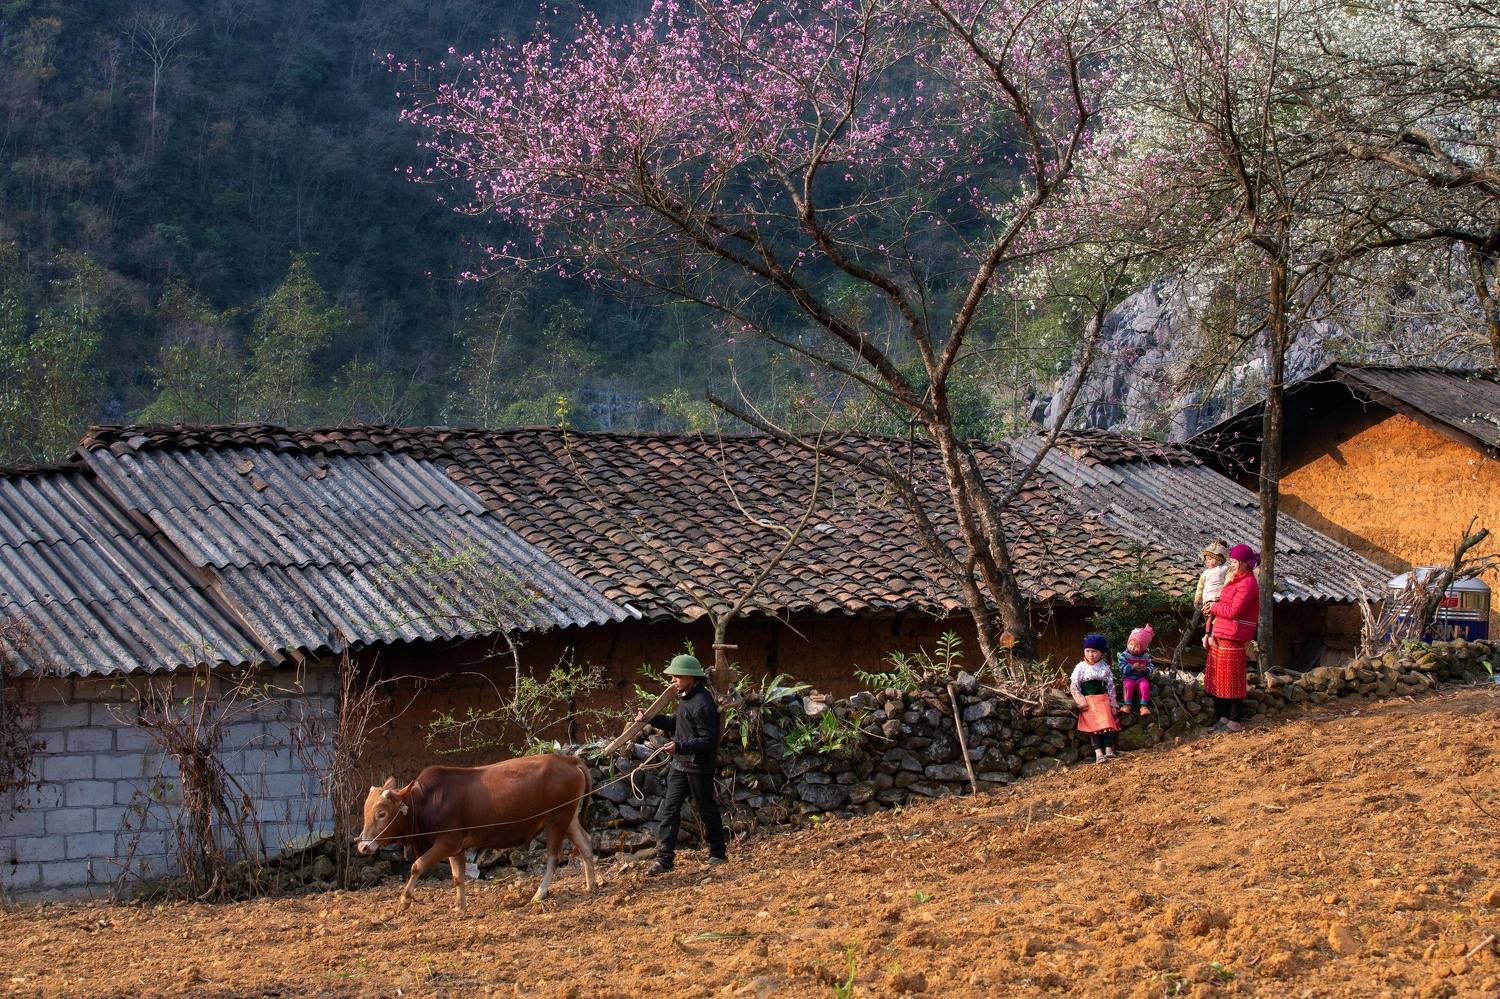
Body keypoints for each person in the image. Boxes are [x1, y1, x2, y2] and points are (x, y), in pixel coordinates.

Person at [635, 654, 726, 874]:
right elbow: (677, 723)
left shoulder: (703, 703)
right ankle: (664, 860)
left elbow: (708, 741)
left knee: (706, 809)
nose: (673, 680)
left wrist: (679, 747)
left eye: (677, 676)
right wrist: (650, 718)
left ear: (690, 677)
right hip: (680, 765)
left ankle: (717, 853)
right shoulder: (686, 697)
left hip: (698, 767)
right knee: (670, 809)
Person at [1202, 544, 1261, 732]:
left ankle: (1234, 720)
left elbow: (1235, 611)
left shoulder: (1248, 583)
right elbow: (1224, 604)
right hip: (1222, 632)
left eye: (1234, 562)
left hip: (1233, 635)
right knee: (1220, 678)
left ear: (1244, 563)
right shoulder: (1235, 580)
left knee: (1232, 680)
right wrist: (1212, 610)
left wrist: (1214, 607)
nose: (1232, 565)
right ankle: (1223, 717)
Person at [1070, 633, 1120, 763]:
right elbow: (1074, 686)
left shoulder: (1104, 667)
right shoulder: (1080, 667)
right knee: (1094, 727)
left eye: (1094, 651)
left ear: (1101, 653)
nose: (1090, 654)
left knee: (1107, 724)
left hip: (1103, 701)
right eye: (1087, 651)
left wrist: (1113, 702)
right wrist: (1081, 701)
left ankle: (1108, 749)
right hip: (1089, 702)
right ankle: (1098, 753)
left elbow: (1110, 686)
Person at [1118, 625, 1154, 716]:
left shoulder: (1146, 656)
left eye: (1136, 646)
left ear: (1143, 647)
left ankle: (1143, 706)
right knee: (1127, 685)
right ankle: (1127, 705)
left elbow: (1151, 666)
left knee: (1145, 686)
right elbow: (1121, 667)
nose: (1132, 647)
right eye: (1130, 644)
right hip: (1129, 677)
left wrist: (1146, 669)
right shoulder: (1125, 655)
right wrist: (1131, 667)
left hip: (1141, 678)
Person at [1195, 541, 1231, 614]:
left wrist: (1226, 593)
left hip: (1219, 599)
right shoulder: (1205, 573)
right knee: (1208, 616)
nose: (1207, 561)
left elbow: (1229, 581)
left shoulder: (1225, 569)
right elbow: (1200, 587)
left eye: (1210, 559)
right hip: (1206, 600)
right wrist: (1197, 599)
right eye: (1206, 559)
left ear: (1219, 560)